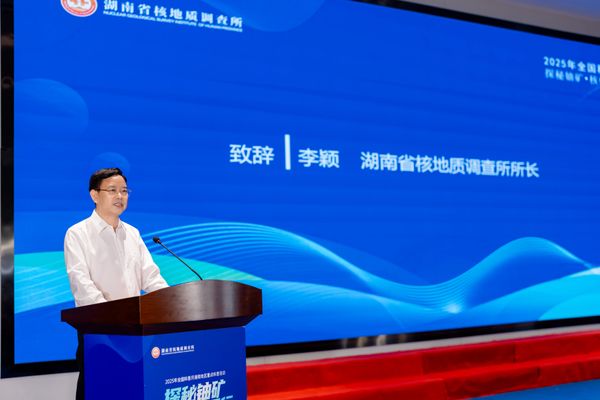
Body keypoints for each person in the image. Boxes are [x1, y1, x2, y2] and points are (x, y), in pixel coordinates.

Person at [64, 167, 168, 400]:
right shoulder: (77, 233)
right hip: (98, 331)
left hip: (135, 330)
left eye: (124, 191)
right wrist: (114, 317)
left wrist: (172, 303)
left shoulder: (132, 233)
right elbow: (81, 284)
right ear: (94, 195)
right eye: (112, 190)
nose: (120, 196)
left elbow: (151, 277)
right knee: (97, 390)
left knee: (130, 390)